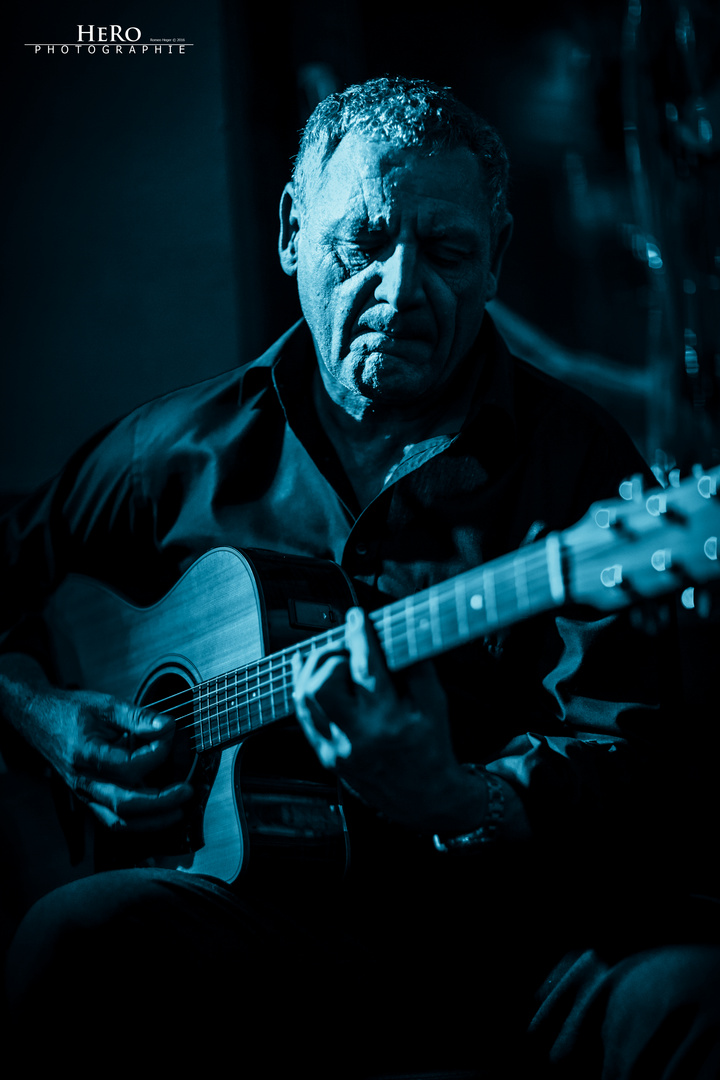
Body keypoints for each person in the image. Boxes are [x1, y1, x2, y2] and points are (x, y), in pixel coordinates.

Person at [1, 76, 719, 1077]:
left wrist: (460, 795)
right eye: (364, 242)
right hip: (254, 934)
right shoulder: (177, 453)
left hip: (509, 951)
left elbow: (641, 764)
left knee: (692, 997)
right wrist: (48, 718)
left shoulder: (582, 466)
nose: (400, 288)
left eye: (448, 251)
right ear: (295, 231)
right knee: (72, 938)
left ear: (498, 258)